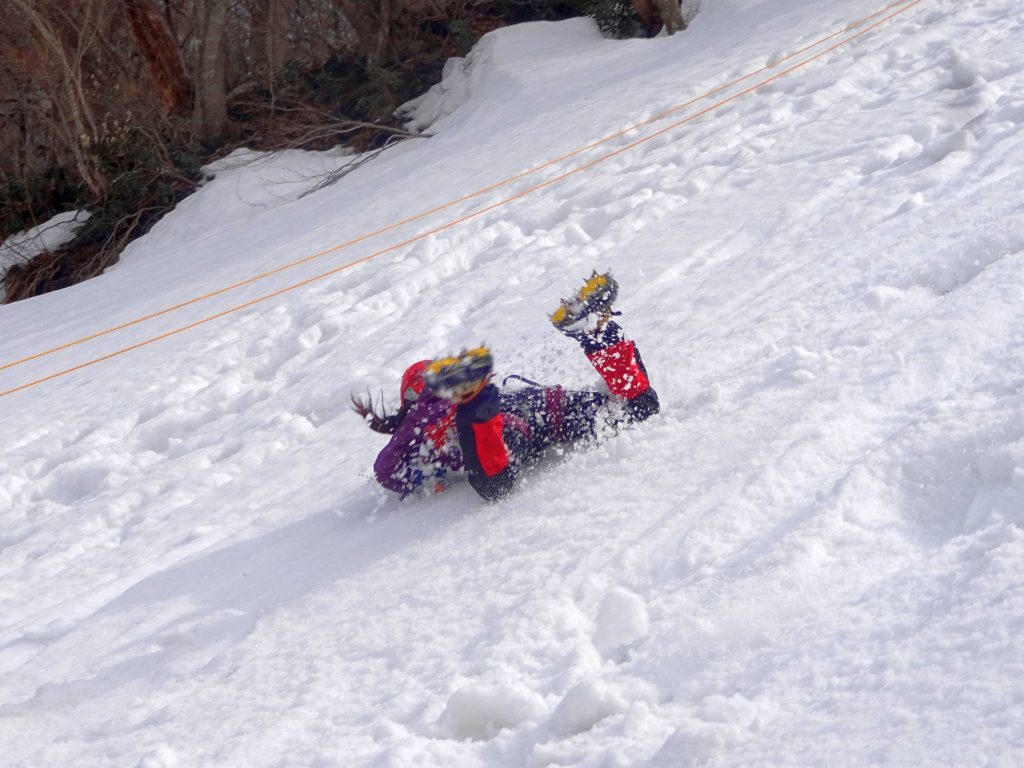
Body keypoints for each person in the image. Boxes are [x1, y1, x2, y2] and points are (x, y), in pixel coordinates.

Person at [352, 273, 660, 501]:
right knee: (639, 405)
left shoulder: (419, 425)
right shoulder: (426, 420)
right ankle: (595, 330)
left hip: (499, 426)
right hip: (543, 407)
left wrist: (423, 469)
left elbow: (386, 470)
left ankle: (475, 402)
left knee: (495, 485)